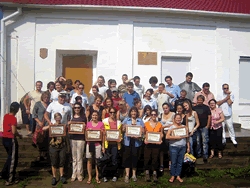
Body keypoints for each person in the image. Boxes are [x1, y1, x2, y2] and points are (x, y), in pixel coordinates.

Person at [43, 113, 67, 185]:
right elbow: (43, 129)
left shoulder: (63, 125)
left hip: (62, 146)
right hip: (53, 146)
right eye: (56, 117)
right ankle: (54, 177)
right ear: (54, 118)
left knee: (61, 161)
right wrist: (49, 126)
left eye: (59, 117)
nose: (58, 119)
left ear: (61, 118)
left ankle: (62, 176)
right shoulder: (52, 125)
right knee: (54, 162)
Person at [1, 102, 22, 186]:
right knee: (13, 159)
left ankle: (3, 173)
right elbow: (13, 132)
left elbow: (9, 125)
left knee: (9, 157)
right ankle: (10, 179)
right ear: (17, 110)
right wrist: (19, 135)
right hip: (11, 140)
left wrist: (17, 126)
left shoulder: (6, 116)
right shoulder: (13, 118)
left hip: (4, 138)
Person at [122, 107, 145, 183]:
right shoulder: (126, 120)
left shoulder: (140, 121)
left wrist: (138, 135)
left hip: (136, 142)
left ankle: (134, 175)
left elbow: (143, 132)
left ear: (137, 113)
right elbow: (122, 130)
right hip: (127, 142)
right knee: (127, 158)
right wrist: (124, 128)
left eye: (135, 111)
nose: (133, 113)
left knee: (135, 158)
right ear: (130, 112)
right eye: (132, 111)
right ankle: (127, 175)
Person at [166, 114, 190, 183]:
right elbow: (167, 136)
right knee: (173, 162)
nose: (178, 120)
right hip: (174, 146)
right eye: (177, 118)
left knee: (180, 162)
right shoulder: (171, 127)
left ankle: (178, 176)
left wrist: (188, 147)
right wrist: (176, 137)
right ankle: (172, 176)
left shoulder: (184, 127)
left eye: (179, 118)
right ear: (174, 119)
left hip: (183, 146)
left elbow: (187, 137)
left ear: (181, 119)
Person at [68, 102, 87, 182]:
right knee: (74, 157)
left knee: (79, 157)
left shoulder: (83, 117)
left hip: (81, 139)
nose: (76, 109)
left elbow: (85, 127)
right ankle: (74, 173)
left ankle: (80, 174)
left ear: (80, 108)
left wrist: (85, 127)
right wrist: (68, 124)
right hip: (72, 138)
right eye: (75, 107)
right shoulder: (71, 117)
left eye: (78, 107)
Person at [102, 107, 122, 182]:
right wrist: (103, 146)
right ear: (108, 113)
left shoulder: (119, 122)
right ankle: (105, 176)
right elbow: (103, 135)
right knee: (106, 160)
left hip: (115, 144)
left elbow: (121, 134)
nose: (112, 114)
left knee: (114, 160)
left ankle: (114, 175)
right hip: (107, 144)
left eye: (114, 112)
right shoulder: (104, 121)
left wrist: (121, 139)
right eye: (111, 112)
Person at [86, 111, 105, 184]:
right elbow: (85, 134)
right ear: (91, 116)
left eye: (96, 115)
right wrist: (88, 130)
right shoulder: (88, 124)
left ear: (98, 116)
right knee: (89, 160)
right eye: (93, 115)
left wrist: (103, 146)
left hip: (98, 144)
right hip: (89, 144)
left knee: (98, 161)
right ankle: (90, 176)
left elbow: (103, 135)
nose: (94, 117)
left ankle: (97, 176)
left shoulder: (101, 123)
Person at [144, 109, 163, 182]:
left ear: (157, 115)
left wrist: (160, 140)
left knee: (155, 159)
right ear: (150, 115)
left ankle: (155, 173)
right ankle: (147, 173)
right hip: (148, 144)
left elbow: (161, 134)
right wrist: (145, 139)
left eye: (155, 114)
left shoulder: (160, 124)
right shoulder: (146, 124)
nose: (153, 116)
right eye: (152, 114)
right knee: (147, 158)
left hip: (156, 144)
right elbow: (144, 133)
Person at [32, 92, 51, 161]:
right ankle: (39, 154)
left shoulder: (50, 104)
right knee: (39, 140)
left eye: (47, 97)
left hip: (47, 125)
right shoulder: (38, 104)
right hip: (40, 124)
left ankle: (45, 154)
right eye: (45, 97)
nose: (46, 99)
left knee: (46, 140)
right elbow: (34, 114)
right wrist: (39, 122)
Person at [193, 95, 211, 162]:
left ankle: (205, 155)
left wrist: (207, 126)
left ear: (203, 100)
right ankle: (198, 154)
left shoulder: (206, 107)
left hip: (204, 127)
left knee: (204, 141)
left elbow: (209, 116)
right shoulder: (194, 108)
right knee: (198, 141)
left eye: (201, 100)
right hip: (197, 127)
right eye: (198, 100)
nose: (199, 101)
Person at [159, 103, 175, 172]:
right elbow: (160, 124)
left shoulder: (173, 114)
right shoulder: (161, 114)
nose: (165, 109)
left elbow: (174, 123)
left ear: (169, 107)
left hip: (170, 133)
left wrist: (165, 126)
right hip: (163, 133)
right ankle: (161, 165)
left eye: (166, 108)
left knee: (170, 149)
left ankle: (170, 164)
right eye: (164, 108)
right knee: (162, 150)